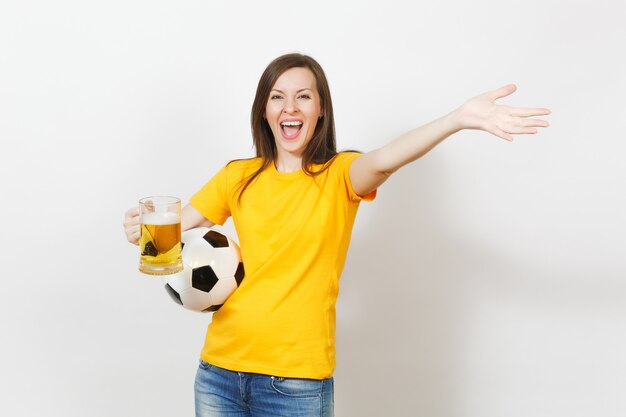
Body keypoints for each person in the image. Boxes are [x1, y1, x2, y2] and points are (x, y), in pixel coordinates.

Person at [123, 53, 550, 417]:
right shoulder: (238, 177)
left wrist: (456, 120)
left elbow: (385, 160)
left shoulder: (340, 175)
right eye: (278, 97)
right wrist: (140, 231)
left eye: (303, 96)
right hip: (218, 372)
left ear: (320, 109)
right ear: (264, 111)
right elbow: (174, 228)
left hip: (295, 384)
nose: (290, 107)